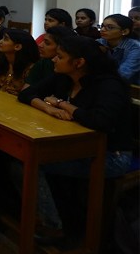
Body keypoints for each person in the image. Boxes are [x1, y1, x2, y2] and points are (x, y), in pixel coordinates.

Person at [18, 35, 133, 238]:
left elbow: (101, 121)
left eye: (60, 56)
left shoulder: (109, 85)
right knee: (19, 153)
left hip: (111, 154)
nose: (54, 59)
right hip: (75, 143)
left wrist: (63, 104)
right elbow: (26, 94)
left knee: (34, 162)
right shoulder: (64, 76)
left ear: (79, 62)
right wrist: (48, 108)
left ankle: (52, 225)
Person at [0, 28, 39, 95]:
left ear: (17, 46)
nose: (0, 41)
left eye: (5, 39)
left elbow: (27, 95)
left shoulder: (30, 68)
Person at [98, 13, 140, 84]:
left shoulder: (135, 47)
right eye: (102, 26)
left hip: (132, 87)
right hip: (105, 82)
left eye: (110, 27)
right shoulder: (99, 42)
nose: (102, 30)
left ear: (124, 31)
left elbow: (124, 73)